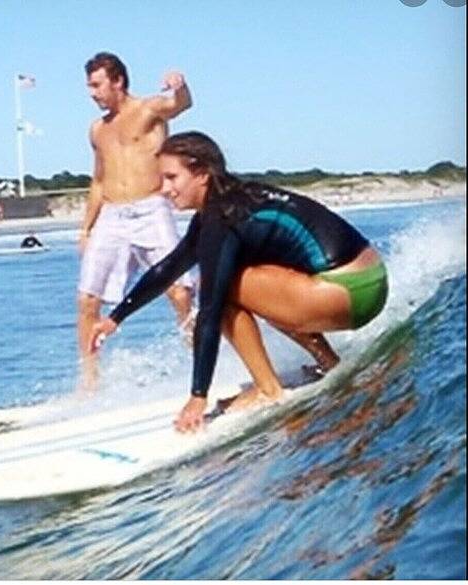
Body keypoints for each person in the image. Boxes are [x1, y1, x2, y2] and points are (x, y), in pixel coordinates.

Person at [88, 131, 389, 433]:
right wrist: (116, 317)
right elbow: (169, 267)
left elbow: (210, 312)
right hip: (369, 279)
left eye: (172, 178)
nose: (164, 189)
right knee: (249, 273)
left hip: (346, 291)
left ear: (202, 174)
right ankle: (328, 363)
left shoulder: (222, 219)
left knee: (223, 286)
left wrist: (198, 397)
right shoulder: (230, 202)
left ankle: (268, 390)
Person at [77, 51, 196, 393]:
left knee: (179, 290)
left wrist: (181, 85)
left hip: (151, 209)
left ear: (118, 81)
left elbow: (181, 104)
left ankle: (198, 359)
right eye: (89, 86)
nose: (92, 93)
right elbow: (98, 181)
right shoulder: (98, 129)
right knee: (87, 300)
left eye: (97, 85)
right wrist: (86, 228)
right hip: (112, 216)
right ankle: (89, 382)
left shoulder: (148, 109)